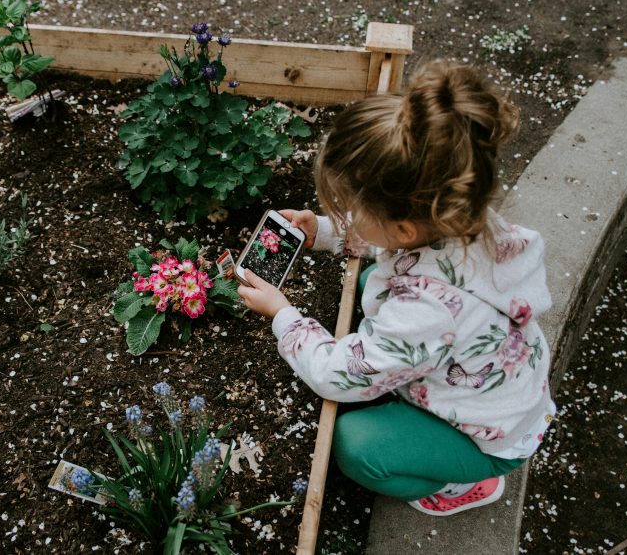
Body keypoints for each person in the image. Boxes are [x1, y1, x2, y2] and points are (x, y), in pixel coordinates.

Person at [237, 60, 556, 516]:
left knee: (356, 445)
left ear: (404, 228)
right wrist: (325, 232)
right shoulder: (465, 218)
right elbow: (394, 243)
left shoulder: (424, 312)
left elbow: (337, 376)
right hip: (497, 383)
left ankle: (460, 484)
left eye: (350, 206)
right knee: (372, 280)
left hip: (486, 436)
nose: (345, 210)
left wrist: (283, 315)